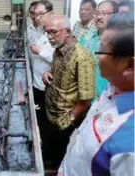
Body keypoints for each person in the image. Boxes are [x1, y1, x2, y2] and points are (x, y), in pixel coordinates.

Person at [58, 12, 134, 176]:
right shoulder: (113, 86)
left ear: (129, 65)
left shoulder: (129, 142)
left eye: (101, 52)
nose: (96, 57)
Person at [42, 15, 96, 168]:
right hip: (53, 117)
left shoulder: (82, 56)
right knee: (53, 155)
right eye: (47, 32)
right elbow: (57, 73)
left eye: (54, 32)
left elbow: (86, 100)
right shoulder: (58, 50)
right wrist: (47, 74)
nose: (50, 37)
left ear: (67, 32)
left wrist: (69, 120)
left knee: (64, 161)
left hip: (66, 123)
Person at [27, 0, 55, 164]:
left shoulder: (55, 32)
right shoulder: (40, 32)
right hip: (37, 83)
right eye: (35, 14)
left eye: (40, 14)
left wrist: (40, 51)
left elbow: (62, 58)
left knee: (49, 122)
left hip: (49, 86)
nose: (37, 18)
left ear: (50, 13)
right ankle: (44, 148)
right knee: (41, 119)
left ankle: (51, 156)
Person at [80, 0, 119, 100]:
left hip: (104, 104)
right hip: (81, 100)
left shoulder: (122, 43)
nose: (99, 17)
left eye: (104, 13)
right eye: (97, 13)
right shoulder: (86, 38)